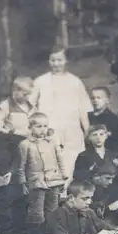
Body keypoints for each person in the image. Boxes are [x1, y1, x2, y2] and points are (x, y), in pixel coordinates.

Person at [33, 47, 92, 188]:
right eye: (53, 60)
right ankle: (52, 196)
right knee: (49, 162)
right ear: (48, 61)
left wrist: (87, 130)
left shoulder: (75, 82)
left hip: (71, 128)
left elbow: (83, 109)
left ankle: (66, 194)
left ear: (66, 61)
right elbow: (32, 107)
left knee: (70, 162)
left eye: (59, 60)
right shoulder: (41, 81)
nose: (56, 64)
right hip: (49, 128)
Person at [17, 112, 68, 234]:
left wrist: (63, 177)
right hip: (36, 182)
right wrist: (23, 183)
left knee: (53, 210)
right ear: (30, 127)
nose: (43, 129)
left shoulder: (51, 142)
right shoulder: (25, 144)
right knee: (37, 212)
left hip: (54, 180)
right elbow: (21, 166)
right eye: (39, 126)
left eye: (45, 126)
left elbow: (59, 160)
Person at [88, 86, 118, 152]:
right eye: (92, 98)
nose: (95, 100)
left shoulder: (113, 120)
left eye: (98, 98)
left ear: (107, 100)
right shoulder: (87, 116)